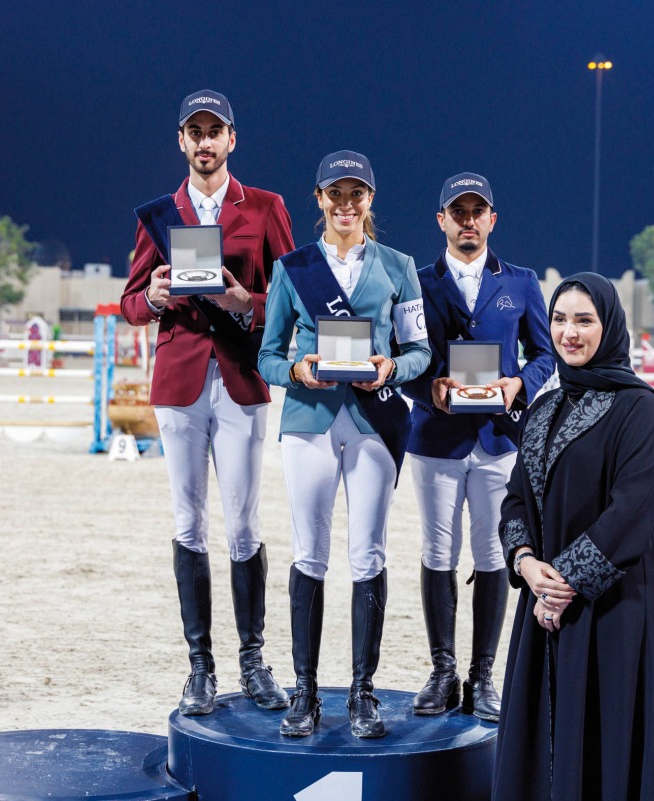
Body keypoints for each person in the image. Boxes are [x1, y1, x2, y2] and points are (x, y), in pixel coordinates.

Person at [120, 89, 295, 717]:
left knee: (244, 524)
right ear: (181, 141)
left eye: (213, 132)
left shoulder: (267, 207)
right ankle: (201, 667)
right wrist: (158, 297)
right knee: (188, 522)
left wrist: (242, 301)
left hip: (243, 379)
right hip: (180, 382)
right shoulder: (159, 215)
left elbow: (290, 297)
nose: (203, 143)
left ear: (231, 140)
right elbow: (131, 302)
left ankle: (253, 659)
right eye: (193, 132)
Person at [493, 273, 654, 801]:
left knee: (612, 747)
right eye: (560, 320)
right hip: (544, 605)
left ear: (608, 327)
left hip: (619, 608)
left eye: (584, 320)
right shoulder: (542, 409)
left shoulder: (642, 410)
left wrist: (562, 584)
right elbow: (516, 498)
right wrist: (524, 563)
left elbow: (632, 513)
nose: (570, 332)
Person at [258, 150, 431, 739]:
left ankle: (362, 691)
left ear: (371, 201)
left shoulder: (400, 267)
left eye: (357, 194)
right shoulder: (293, 267)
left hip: (374, 422)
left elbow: (420, 351)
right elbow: (267, 356)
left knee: (369, 555)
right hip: (309, 418)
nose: (347, 204)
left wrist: (392, 369)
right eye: (336, 194)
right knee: (310, 554)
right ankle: (304, 692)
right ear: (319, 200)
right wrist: (299, 371)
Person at [401, 173, 554, 722]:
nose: (468, 220)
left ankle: (483, 675)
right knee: (437, 551)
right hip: (436, 438)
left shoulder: (522, 281)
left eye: (477, 211)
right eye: (457, 211)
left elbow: (545, 355)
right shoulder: (414, 282)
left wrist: (520, 386)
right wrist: (427, 387)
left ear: (492, 219)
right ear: (441, 220)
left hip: (497, 439)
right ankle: (443, 671)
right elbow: (403, 357)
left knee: (492, 554)